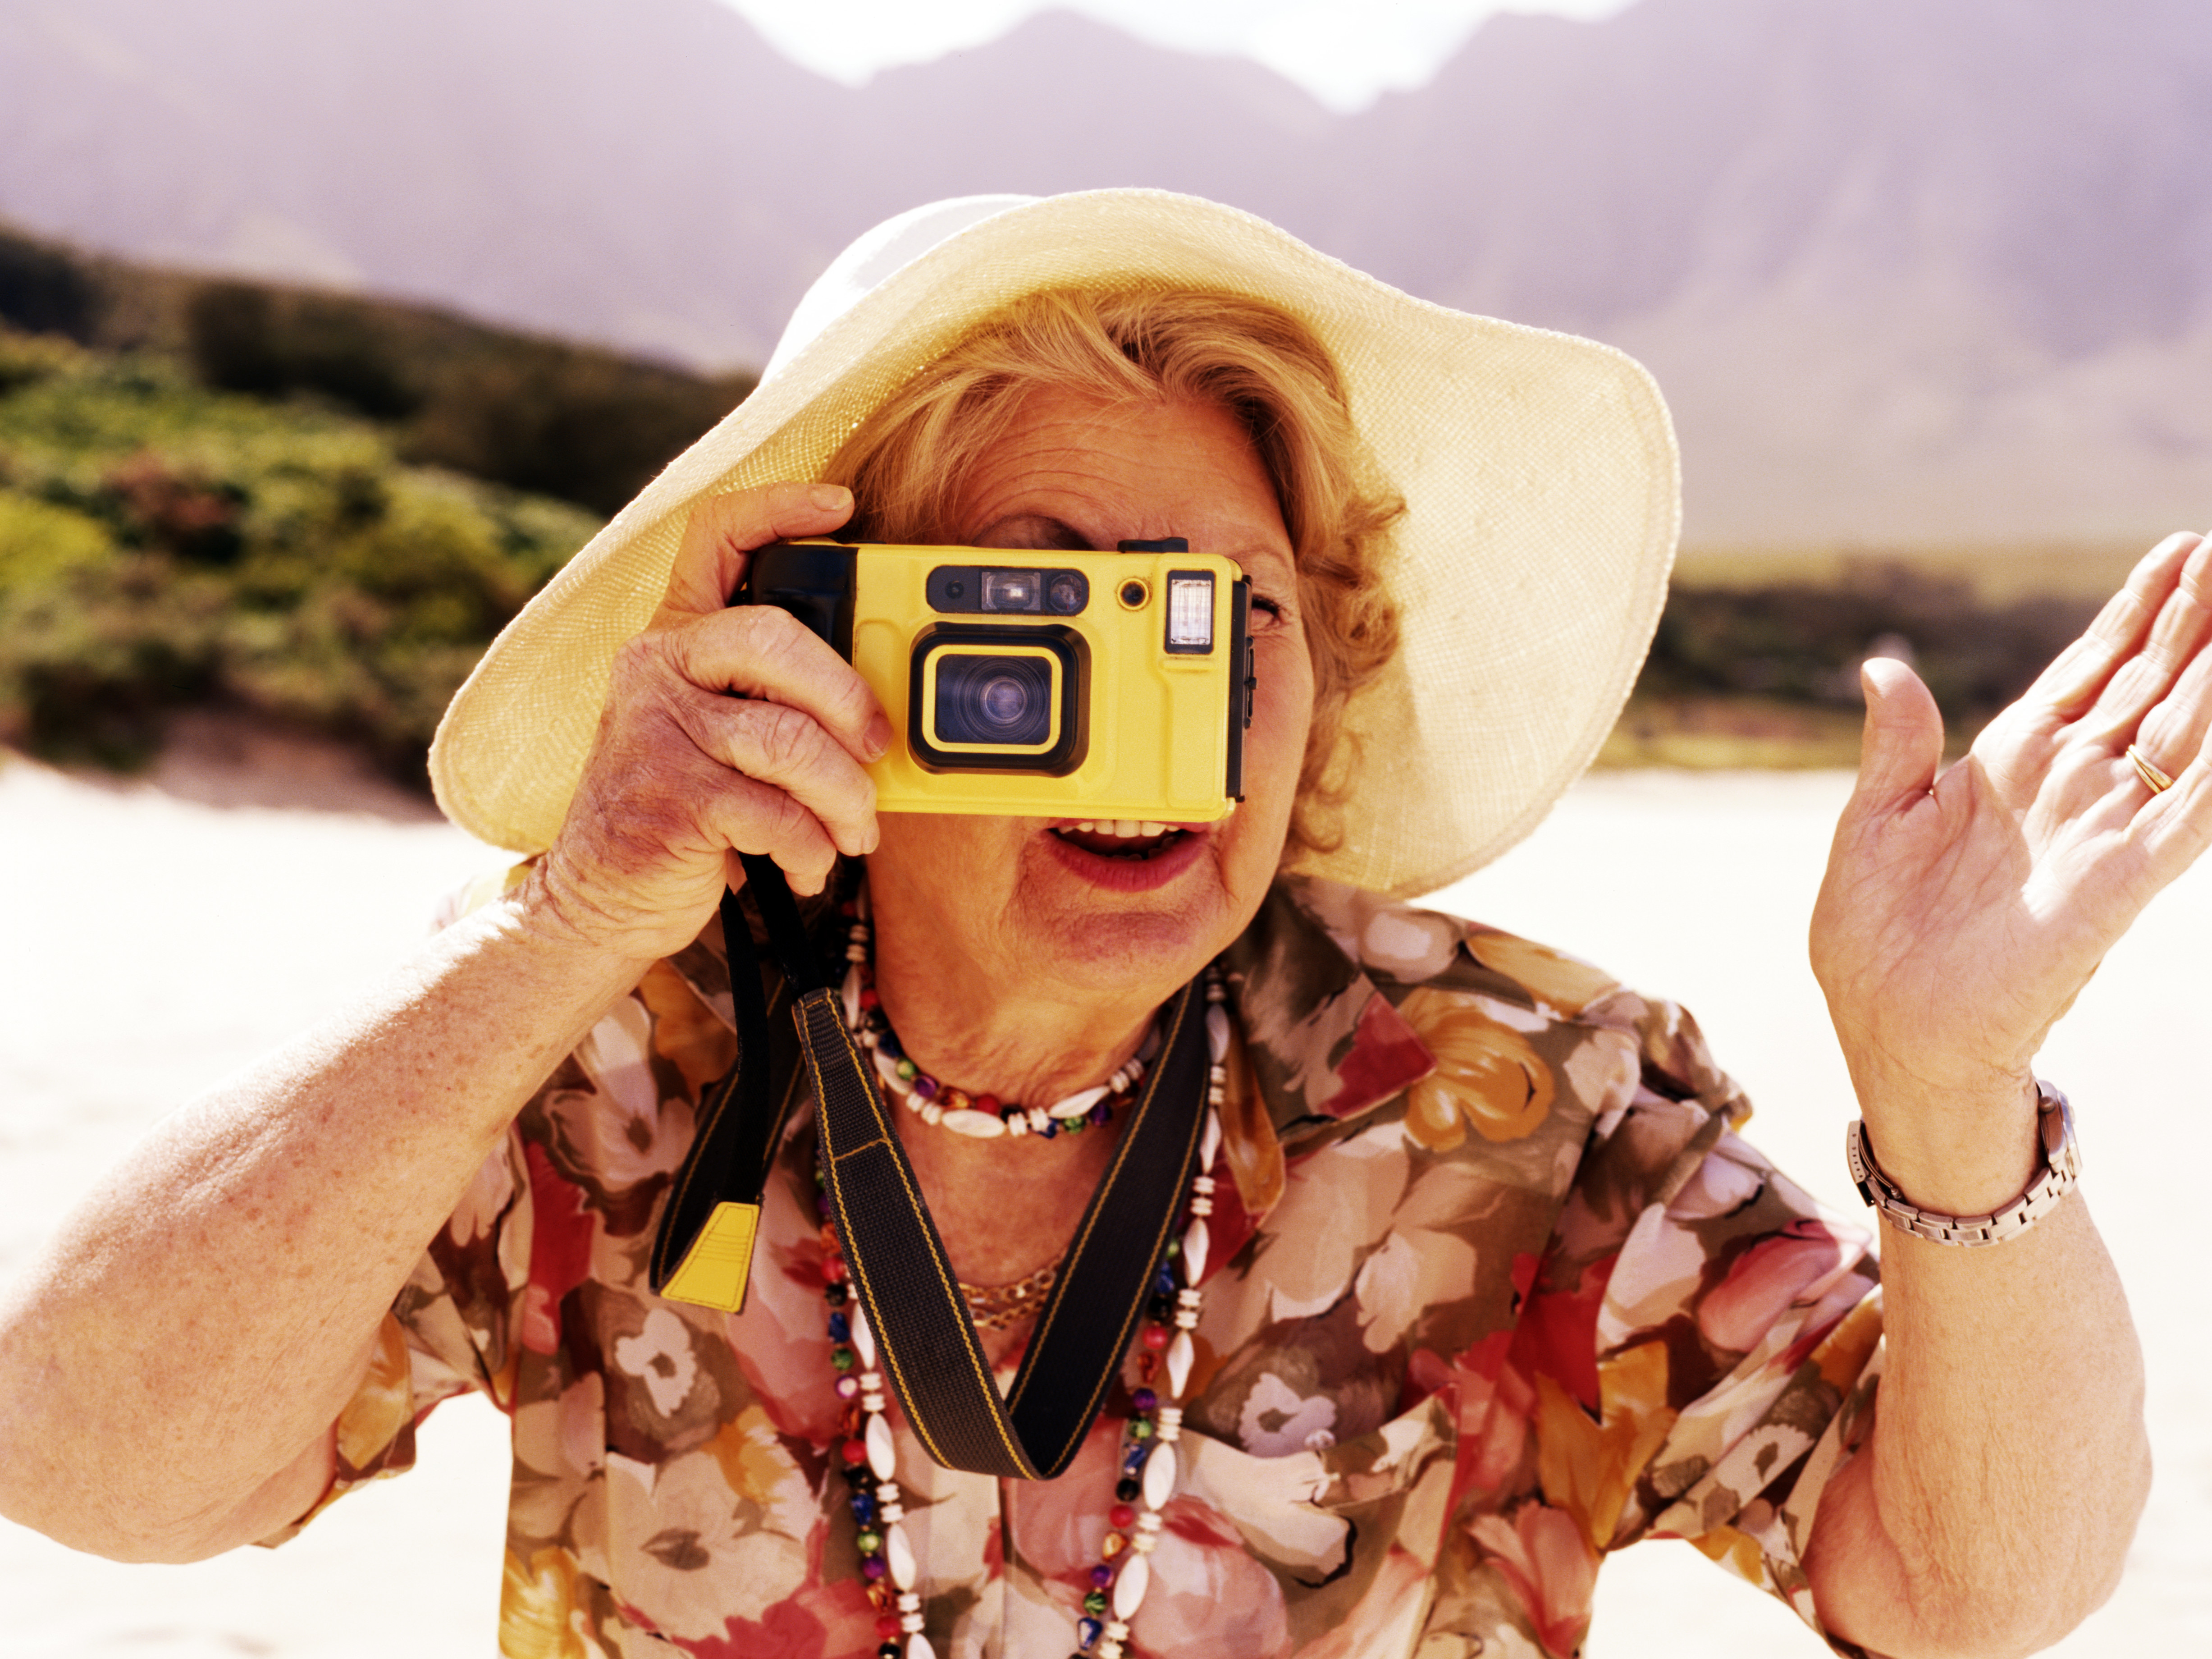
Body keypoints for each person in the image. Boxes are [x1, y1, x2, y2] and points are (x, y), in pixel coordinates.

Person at [0, 192, 2180, 1659]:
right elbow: (78, 1452)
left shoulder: (1533, 1109)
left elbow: (1967, 1586)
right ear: (832, 634)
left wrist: (1955, 1098)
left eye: (1230, 615)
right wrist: (566, 920)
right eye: (1045, 599)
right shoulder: (603, 1060)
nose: (1174, 712)